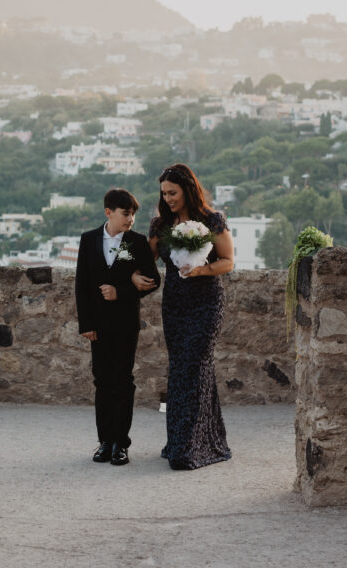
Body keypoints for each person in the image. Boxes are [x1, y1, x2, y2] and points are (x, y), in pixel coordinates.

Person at [139, 163, 235, 470]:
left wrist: (202, 269)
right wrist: (130, 274)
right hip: (175, 306)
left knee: (194, 364)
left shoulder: (211, 220)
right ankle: (190, 440)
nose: (167, 198)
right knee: (182, 368)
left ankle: (191, 447)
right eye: (164, 193)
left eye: (173, 192)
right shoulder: (159, 225)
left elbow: (228, 261)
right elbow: (144, 262)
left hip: (207, 302)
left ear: (188, 190)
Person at [75, 188, 161, 466]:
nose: (131, 219)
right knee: (102, 381)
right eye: (126, 213)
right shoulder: (88, 240)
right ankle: (104, 442)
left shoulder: (136, 243)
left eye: (134, 214)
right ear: (108, 212)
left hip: (125, 324)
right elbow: (82, 285)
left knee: (123, 382)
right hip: (97, 326)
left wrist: (122, 291)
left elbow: (153, 280)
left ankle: (121, 445)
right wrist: (86, 324)